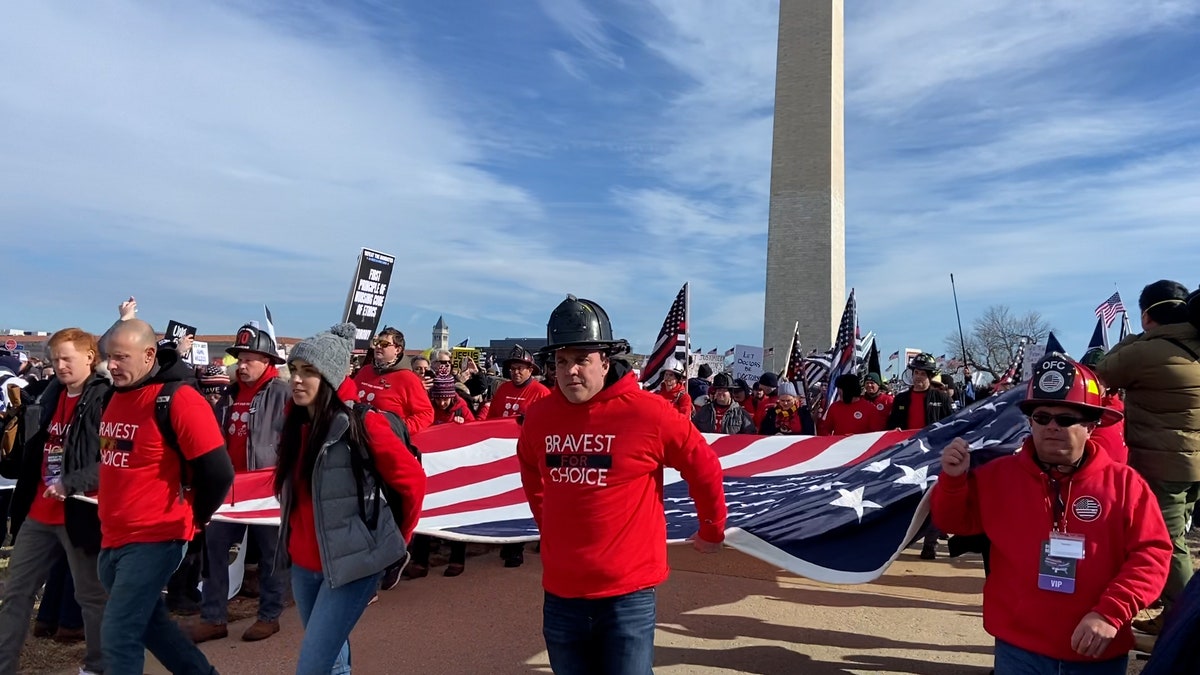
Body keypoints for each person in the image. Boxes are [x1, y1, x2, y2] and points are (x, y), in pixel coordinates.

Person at [517, 294, 727, 674]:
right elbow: (531, 472)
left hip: (627, 593)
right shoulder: (539, 417)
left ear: (605, 360)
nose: (570, 372)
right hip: (562, 590)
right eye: (561, 362)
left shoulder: (650, 413)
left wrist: (712, 528)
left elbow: (704, 465)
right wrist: (548, 526)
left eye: (582, 360)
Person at [932, 352, 1171, 673]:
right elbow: (952, 522)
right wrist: (953, 479)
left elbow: (1152, 556)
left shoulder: (1126, 485)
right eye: (1041, 417)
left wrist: (1110, 613)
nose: (1052, 427)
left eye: (1065, 418)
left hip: (1096, 651)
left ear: (1090, 425)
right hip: (1018, 651)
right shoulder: (996, 476)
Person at [274, 323, 426, 675]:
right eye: (294, 370)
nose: (296, 379)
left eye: (308, 372)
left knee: (312, 666)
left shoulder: (364, 424)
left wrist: (392, 550)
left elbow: (413, 484)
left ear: (329, 376)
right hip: (305, 565)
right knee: (333, 662)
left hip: (353, 567)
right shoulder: (295, 422)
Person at [97, 319, 234, 675]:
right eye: (109, 357)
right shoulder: (116, 396)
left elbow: (219, 472)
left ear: (148, 355)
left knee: (117, 634)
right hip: (114, 538)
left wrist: (196, 517)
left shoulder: (180, 400)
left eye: (121, 357)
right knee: (151, 626)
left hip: (157, 536)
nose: (112, 365)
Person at [0, 329, 110, 675]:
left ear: (90, 357)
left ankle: (98, 666)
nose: (59, 366)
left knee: (91, 598)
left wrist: (72, 482)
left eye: (67, 359)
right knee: (15, 594)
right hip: (38, 511)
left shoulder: (105, 398)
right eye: (55, 359)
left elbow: (114, 459)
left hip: (81, 511)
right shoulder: (49, 395)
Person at [1094, 279, 1200, 634]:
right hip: (1193, 464)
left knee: (1169, 545)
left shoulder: (1143, 351)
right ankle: (1174, 613)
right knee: (1179, 536)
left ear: (1146, 316)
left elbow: (1102, 372)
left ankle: (1187, 626)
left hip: (1164, 463)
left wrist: (1136, 339)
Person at [191, 323, 291, 644]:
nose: (242, 365)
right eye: (239, 359)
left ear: (268, 361)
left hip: (266, 491)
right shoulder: (228, 396)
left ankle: (269, 615)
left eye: (249, 359)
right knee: (214, 549)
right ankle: (213, 617)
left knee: (271, 556)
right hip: (230, 490)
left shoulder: (283, 394)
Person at [352, 327, 434, 436]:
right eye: (377, 342)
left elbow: (426, 414)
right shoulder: (365, 371)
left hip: (385, 442)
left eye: (384, 344)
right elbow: (350, 396)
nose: (378, 346)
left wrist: (398, 429)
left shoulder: (408, 378)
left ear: (398, 350)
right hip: (356, 435)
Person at [886, 352, 955, 431]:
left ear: (930, 376)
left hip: (932, 442)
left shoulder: (942, 398)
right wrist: (894, 428)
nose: (918, 376)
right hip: (906, 442)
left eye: (923, 374)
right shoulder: (900, 399)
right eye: (916, 372)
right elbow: (891, 424)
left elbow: (952, 423)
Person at [487, 345, 551, 421]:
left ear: (530, 370)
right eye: (513, 369)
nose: (516, 372)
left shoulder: (542, 393)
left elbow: (549, 422)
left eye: (520, 368)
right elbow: (491, 418)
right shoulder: (503, 389)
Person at [691, 373, 756, 434]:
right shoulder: (704, 411)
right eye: (718, 390)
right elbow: (693, 430)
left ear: (730, 392)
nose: (720, 392)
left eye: (724, 390)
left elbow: (750, 435)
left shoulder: (741, 414)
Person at [819, 374, 883, 436]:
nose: (838, 392)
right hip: (840, 445)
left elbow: (876, 434)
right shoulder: (834, 407)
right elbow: (825, 430)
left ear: (848, 389)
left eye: (840, 389)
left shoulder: (870, 409)